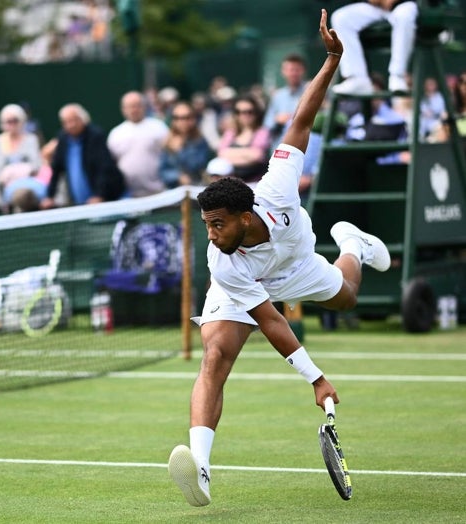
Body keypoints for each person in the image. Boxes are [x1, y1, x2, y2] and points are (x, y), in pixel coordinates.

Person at [167, 10, 392, 507]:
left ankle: (351, 243)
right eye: (206, 224)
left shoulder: (278, 185)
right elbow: (268, 320)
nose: (212, 232)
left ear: (246, 215)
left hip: (297, 263)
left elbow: (301, 119)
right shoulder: (222, 258)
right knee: (216, 356)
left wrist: (333, 58)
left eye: (218, 222)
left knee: (348, 298)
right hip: (249, 284)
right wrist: (314, 376)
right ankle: (200, 467)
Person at [40, 103, 124, 209]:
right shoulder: (62, 139)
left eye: (74, 120)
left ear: (83, 119)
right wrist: (49, 196)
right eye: (67, 122)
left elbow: (105, 168)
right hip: (78, 203)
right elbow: (56, 170)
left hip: (104, 201)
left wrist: (99, 195)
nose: (71, 125)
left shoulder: (96, 136)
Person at [331, 0, 417, 95]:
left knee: (404, 15)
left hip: (406, 5)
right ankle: (357, 78)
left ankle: (398, 76)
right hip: (378, 8)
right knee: (341, 18)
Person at [107, 91, 169, 198]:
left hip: (159, 192)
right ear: (123, 109)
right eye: (129, 107)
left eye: (137, 106)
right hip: (128, 196)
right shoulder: (115, 134)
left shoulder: (159, 127)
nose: (134, 110)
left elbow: (170, 156)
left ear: (144, 107)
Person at [214, 95, 271, 188]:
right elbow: (221, 153)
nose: (245, 115)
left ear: (256, 113)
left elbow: (257, 155)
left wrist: (230, 154)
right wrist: (247, 154)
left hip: (255, 186)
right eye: (239, 112)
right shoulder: (230, 133)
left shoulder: (262, 132)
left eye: (249, 111)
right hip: (231, 187)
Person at [159, 101, 212, 189]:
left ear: (192, 119)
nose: (181, 121)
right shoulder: (167, 141)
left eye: (185, 117)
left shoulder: (200, 141)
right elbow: (163, 172)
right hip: (174, 192)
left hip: (196, 189)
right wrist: (177, 176)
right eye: (177, 118)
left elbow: (197, 166)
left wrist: (180, 151)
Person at [263, 54, 307, 150]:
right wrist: (277, 119)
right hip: (280, 146)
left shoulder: (310, 92)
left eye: (297, 70)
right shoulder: (278, 96)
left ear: (303, 71)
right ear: (283, 72)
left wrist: (291, 117)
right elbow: (267, 124)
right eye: (290, 70)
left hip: (303, 145)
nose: (293, 73)